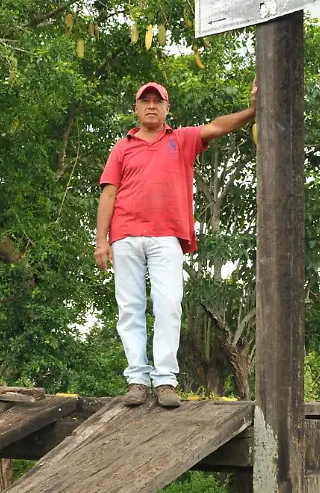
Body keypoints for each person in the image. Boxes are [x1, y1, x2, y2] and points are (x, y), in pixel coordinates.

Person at [95, 80, 257, 408]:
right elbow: (108, 193)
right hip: (125, 236)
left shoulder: (179, 140)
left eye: (158, 101)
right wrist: (101, 241)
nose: (151, 106)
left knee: (169, 305)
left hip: (166, 236)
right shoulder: (122, 147)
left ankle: (165, 380)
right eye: (145, 101)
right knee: (130, 309)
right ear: (137, 109)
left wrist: (254, 110)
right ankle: (137, 379)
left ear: (167, 109)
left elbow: (216, 127)